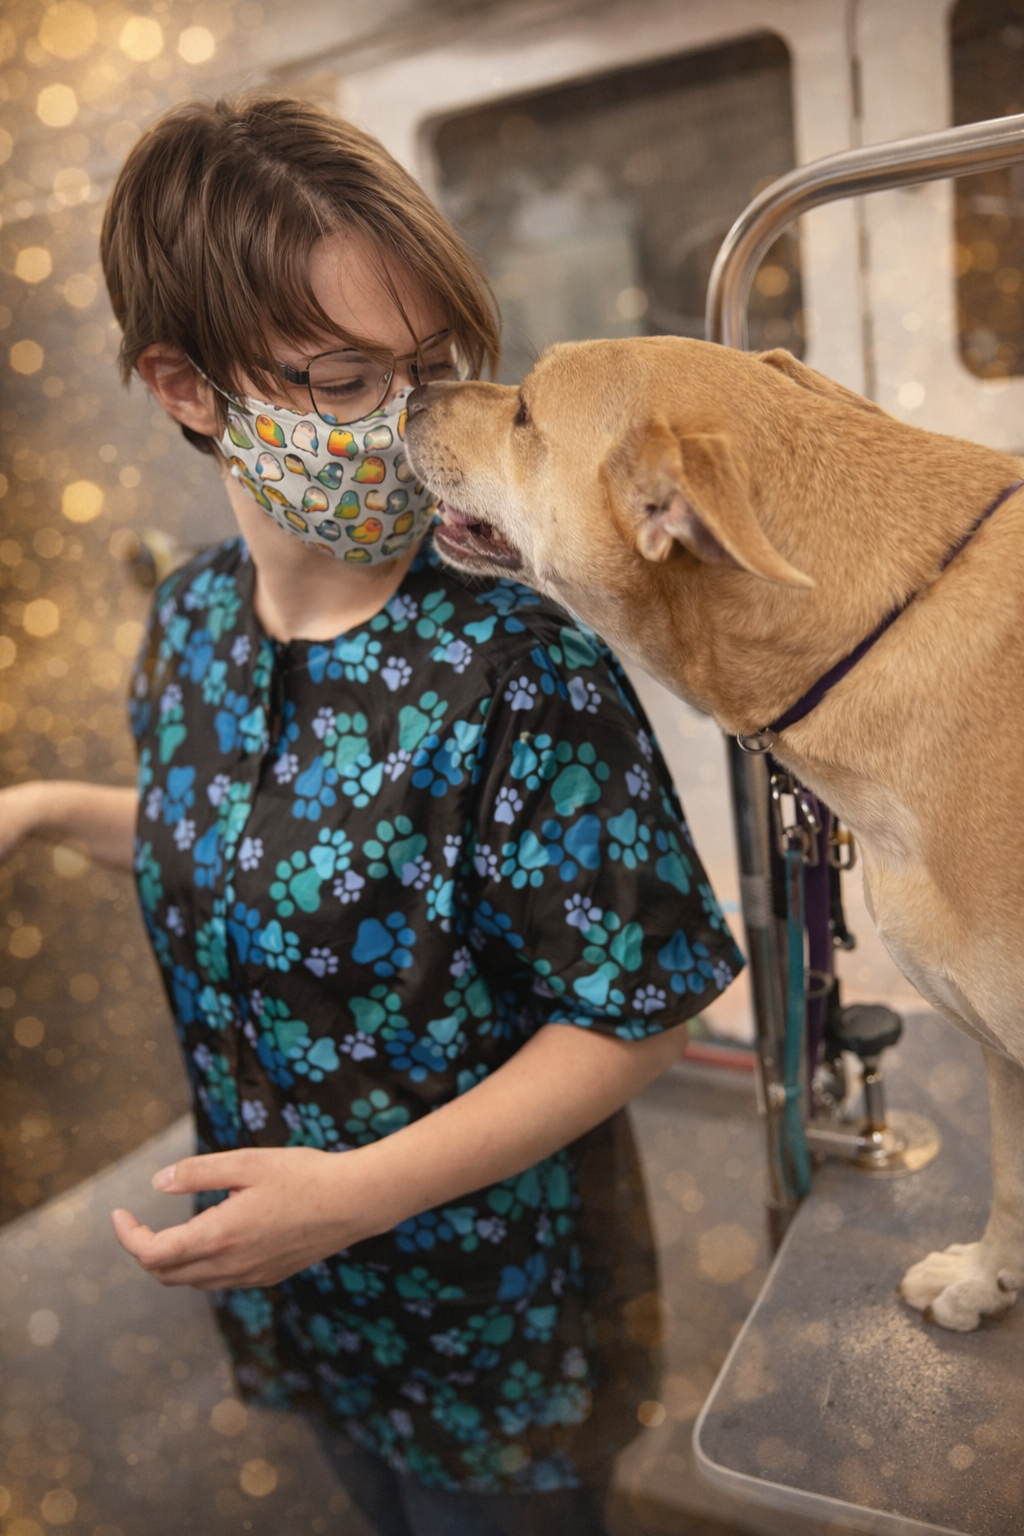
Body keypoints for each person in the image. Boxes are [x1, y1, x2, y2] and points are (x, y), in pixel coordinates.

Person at [0, 95, 743, 1536]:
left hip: (491, 1322)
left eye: (427, 371)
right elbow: (240, 837)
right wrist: (36, 808)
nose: (400, 426)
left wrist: (353, 1196)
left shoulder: (521, 660)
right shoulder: (194, 622)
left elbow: (636, 1004)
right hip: (298, 1297)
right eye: (340, 380)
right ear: (184, 384)